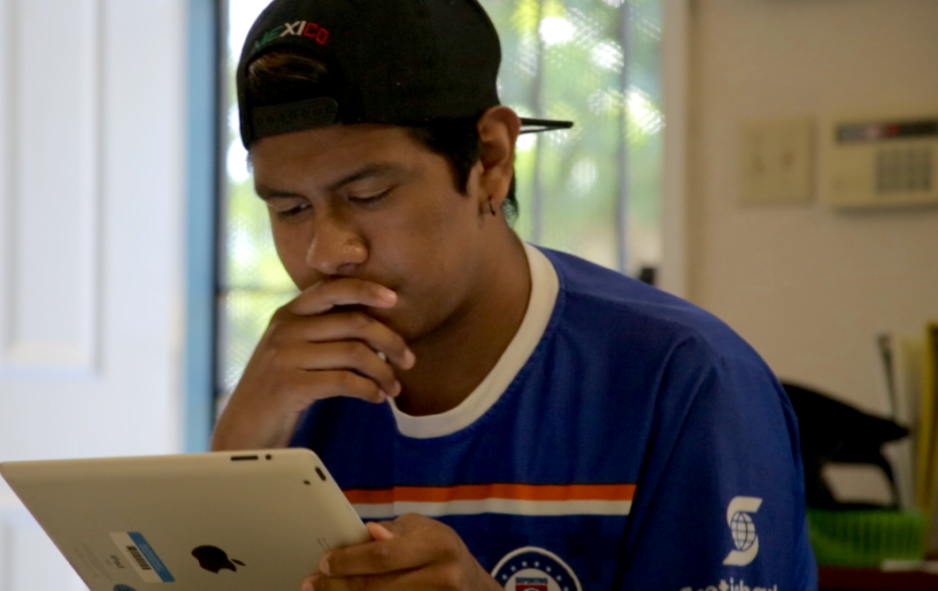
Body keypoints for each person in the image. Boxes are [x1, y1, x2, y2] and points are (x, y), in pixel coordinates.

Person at [211, 1, 818, 590]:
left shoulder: (682, 380)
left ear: (492, 159)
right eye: (290, 209)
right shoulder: (292, 399)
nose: (326, 252)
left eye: (369, 195)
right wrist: (235, 449)